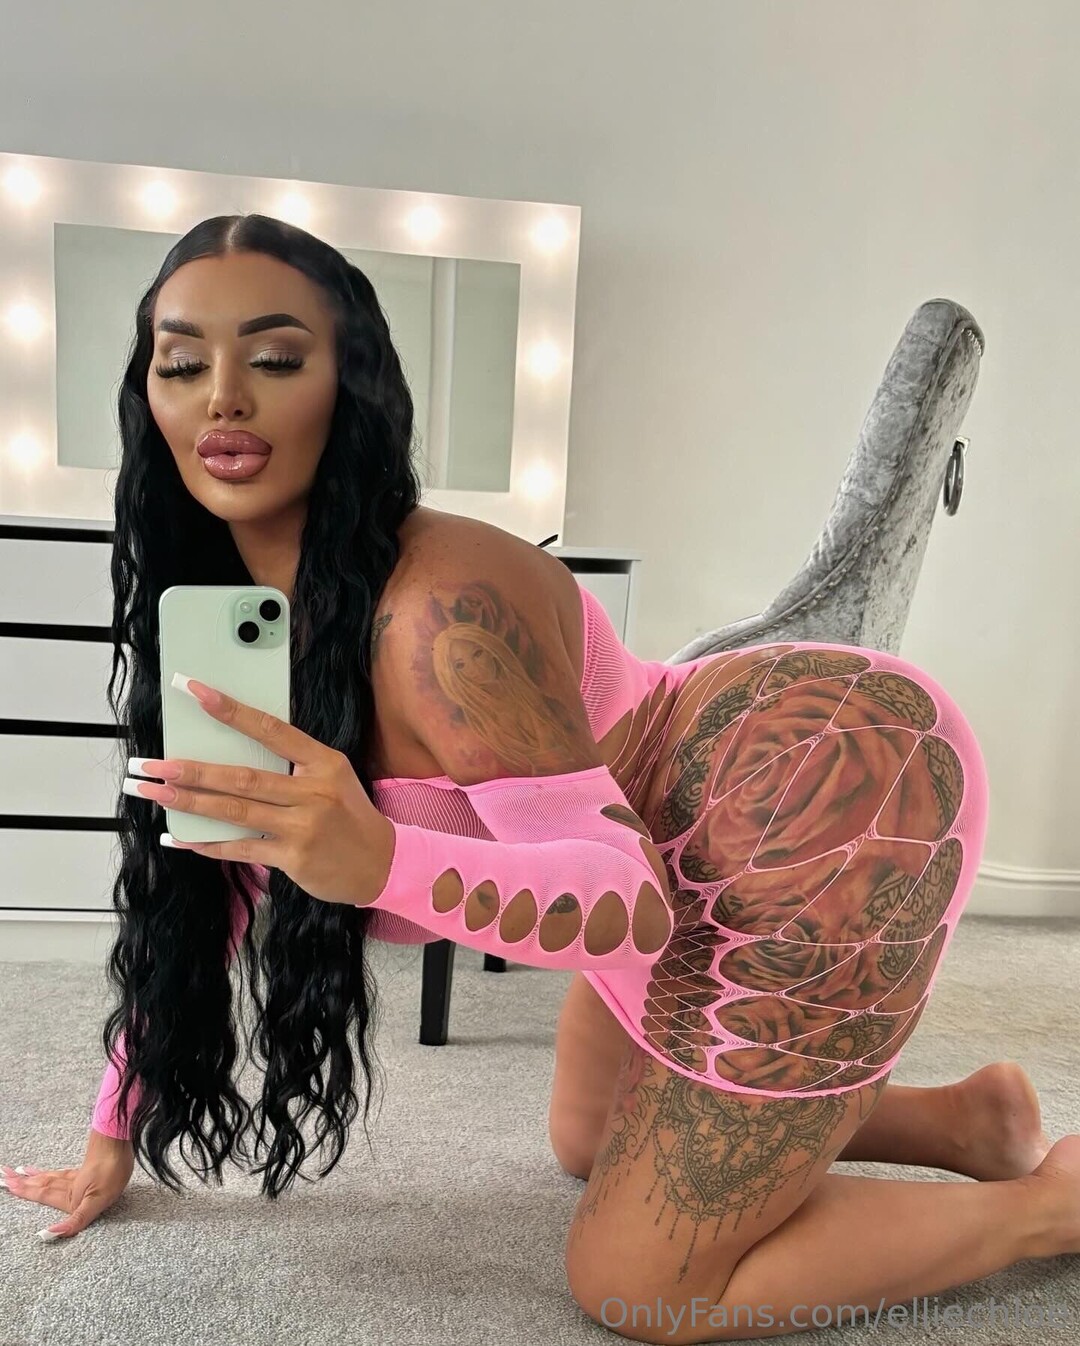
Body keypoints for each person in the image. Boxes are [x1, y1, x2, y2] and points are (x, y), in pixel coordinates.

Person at [3, 213, 1077, 1341]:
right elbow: (211, 892)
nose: (223, 397)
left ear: (349, 383)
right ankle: (968, 1124)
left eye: (274, 357)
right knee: (586, 1138)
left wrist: (379, 858)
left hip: (807, 806)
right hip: (680, 855)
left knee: (642, 1282)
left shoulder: (442, 613)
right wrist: (111, 1136)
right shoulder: (237, 626)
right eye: (181, 364)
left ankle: (1047, 1209)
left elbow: (630, 900)